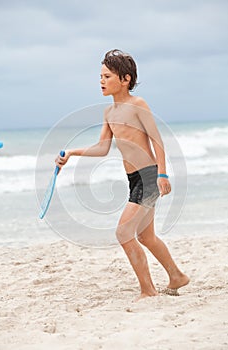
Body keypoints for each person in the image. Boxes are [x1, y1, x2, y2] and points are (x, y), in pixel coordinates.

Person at [55, 49, 189, 300]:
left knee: (123, 233)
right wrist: (72, 153)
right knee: (145, 236)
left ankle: (148, 290)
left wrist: (163, 174)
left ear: (125, 79)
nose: (101, 81)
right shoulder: (108, 113)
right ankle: (176, 276)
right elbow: (102, 148)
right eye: (100, 76)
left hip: (149, 176)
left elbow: (156, 140)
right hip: (133, 179)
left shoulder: (138, 105)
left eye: (107, 76)